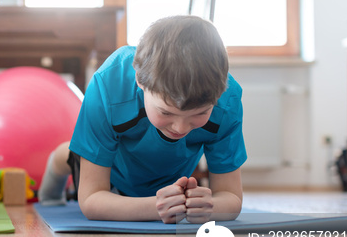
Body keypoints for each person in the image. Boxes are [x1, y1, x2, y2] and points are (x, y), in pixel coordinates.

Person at [38, 15, 245, 224]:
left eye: (200, 113)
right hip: (112, 172)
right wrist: (155, 208)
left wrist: (210, 208)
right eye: (166, 112)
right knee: (72, 153)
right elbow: (91, 199)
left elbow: (231, 197)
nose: (181, 128)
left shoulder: (227, 100)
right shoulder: (109, 84)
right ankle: (61, 157)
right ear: (140, 81)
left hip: (167, 175)